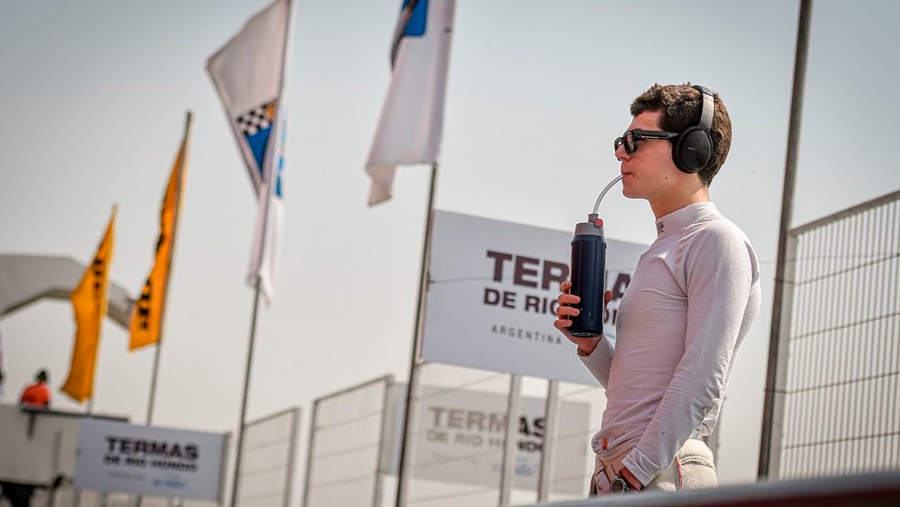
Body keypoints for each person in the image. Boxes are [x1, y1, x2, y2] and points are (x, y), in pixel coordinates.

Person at [554, 83, 760, 495]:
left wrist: (635, 473)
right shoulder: (666, 246)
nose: (620, 152)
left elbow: (704, 376)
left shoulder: (715, 239)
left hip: (657, 471)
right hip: (630, 471)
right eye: (621, 141)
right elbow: (638, 395)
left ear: (691, 149)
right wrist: (592, 345)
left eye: (635, 140)